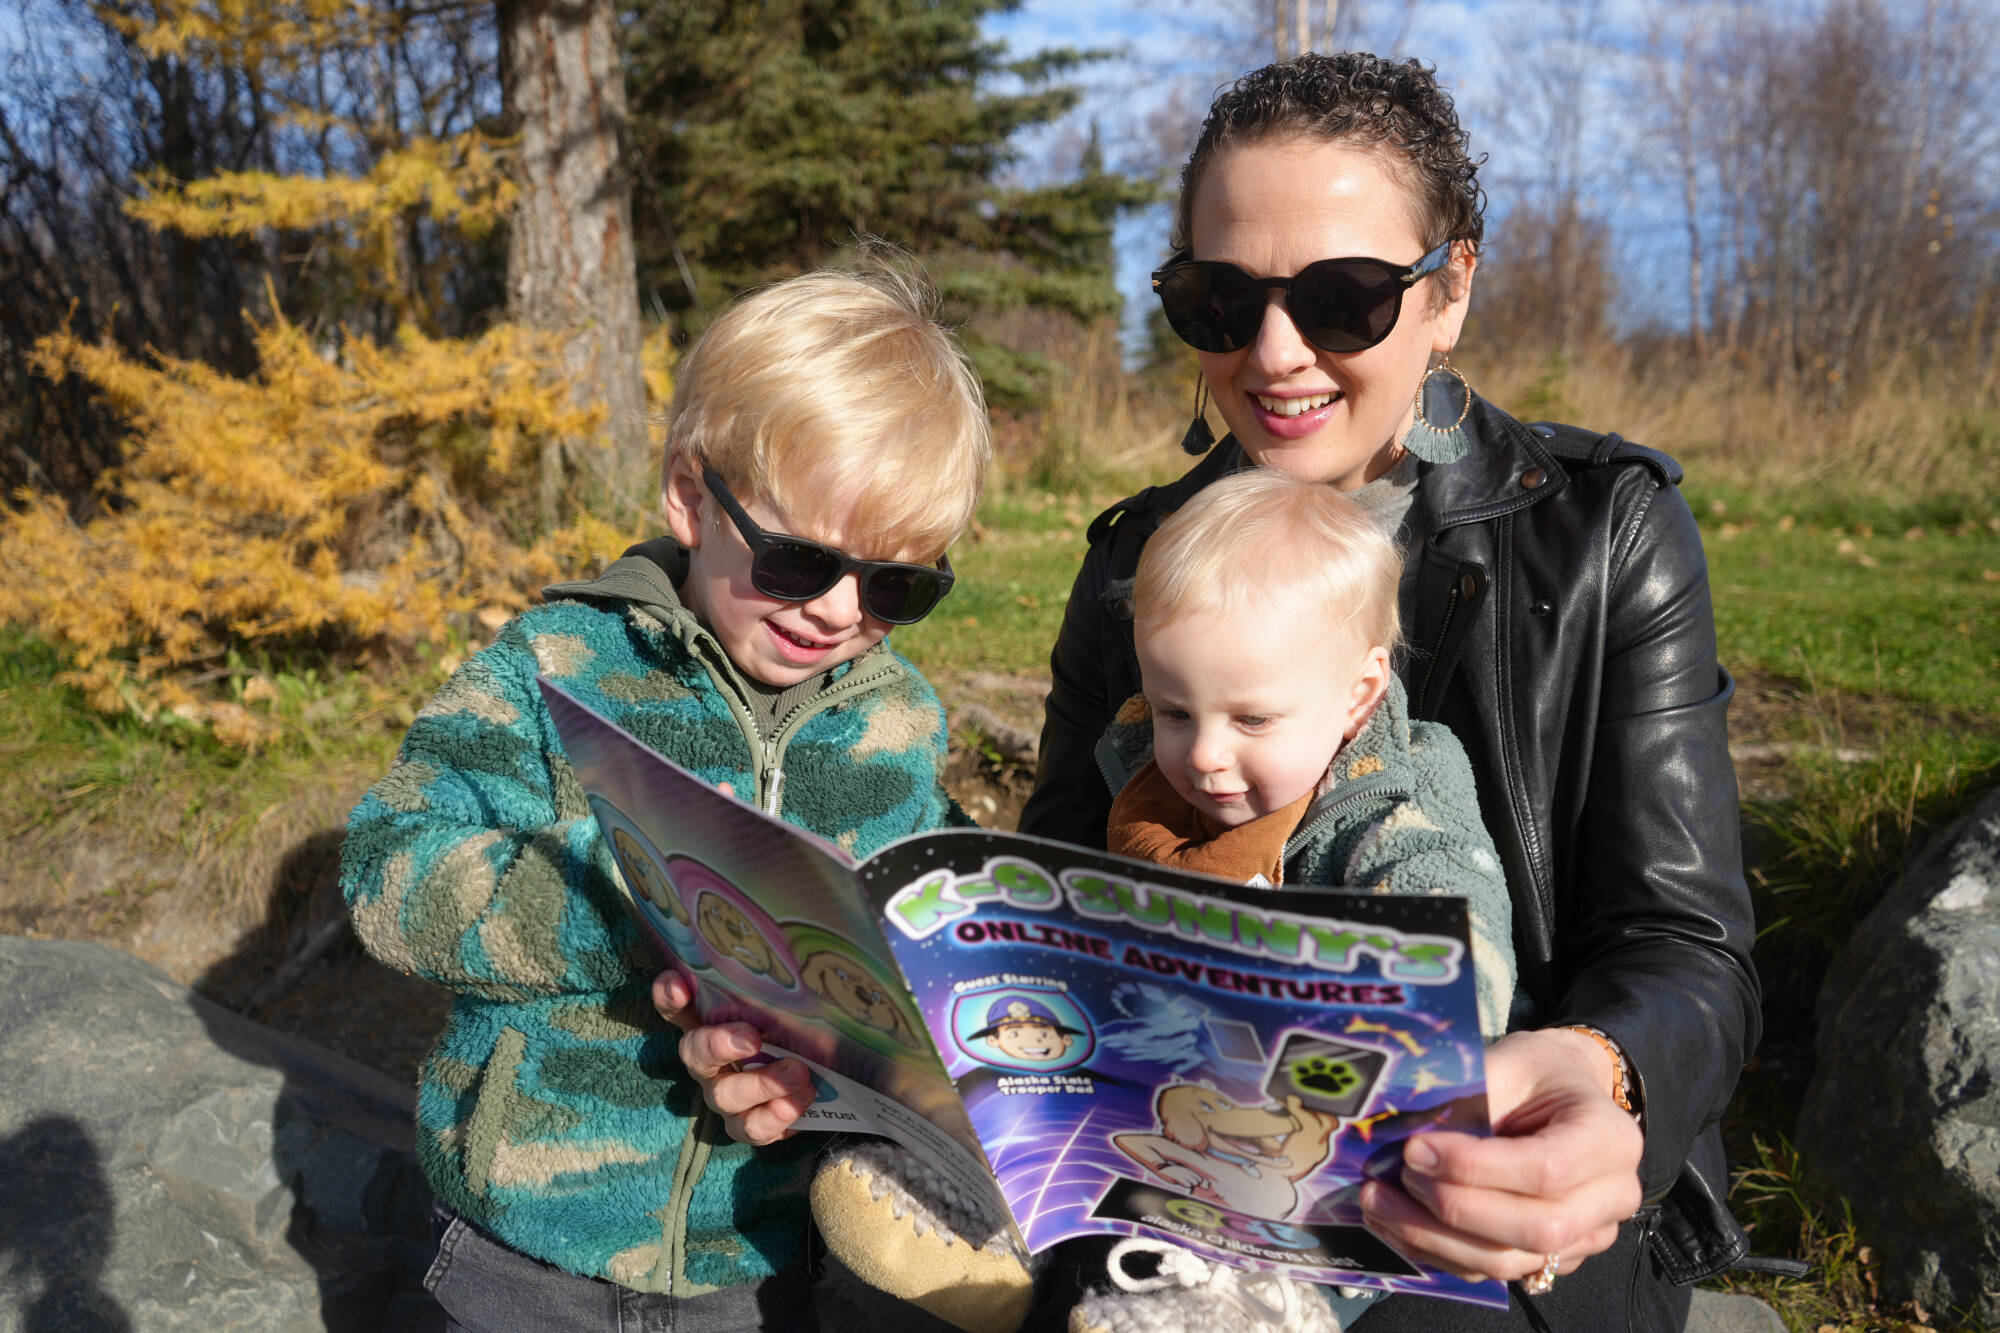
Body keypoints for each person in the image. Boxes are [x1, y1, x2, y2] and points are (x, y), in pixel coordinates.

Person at [1019, 51, 1760, 1333]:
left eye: (1344, 298)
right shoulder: (1132, 563)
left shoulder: (1602, 536)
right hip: (1179, 1144)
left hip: (1490, 1165)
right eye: (1217, 297)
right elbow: (1049, 874)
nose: (1272, 352)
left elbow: (1685, 944)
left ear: (1449, 289)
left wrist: (1596, 1073)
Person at [340, 265, 991, 1333]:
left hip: (761, 1249)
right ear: (691, 493)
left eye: (896, 586)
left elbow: (904, 956)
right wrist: (631, 892)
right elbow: (388, 867)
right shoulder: (557, 660)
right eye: (795, 559)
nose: (836, 611)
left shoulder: (895, 724)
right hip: (532, 1242)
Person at [1073, 466, 1517, 1333]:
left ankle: (1280, 1305)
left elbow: (1456, 926)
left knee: (1388, 1191)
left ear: (1356, 694)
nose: (1203, 755)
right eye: (1172, 710)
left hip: (1346, 1105)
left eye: (1251, 720)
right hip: (1183, 1090)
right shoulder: (1154, 791)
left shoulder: (1396, 795)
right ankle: (988, 1240)